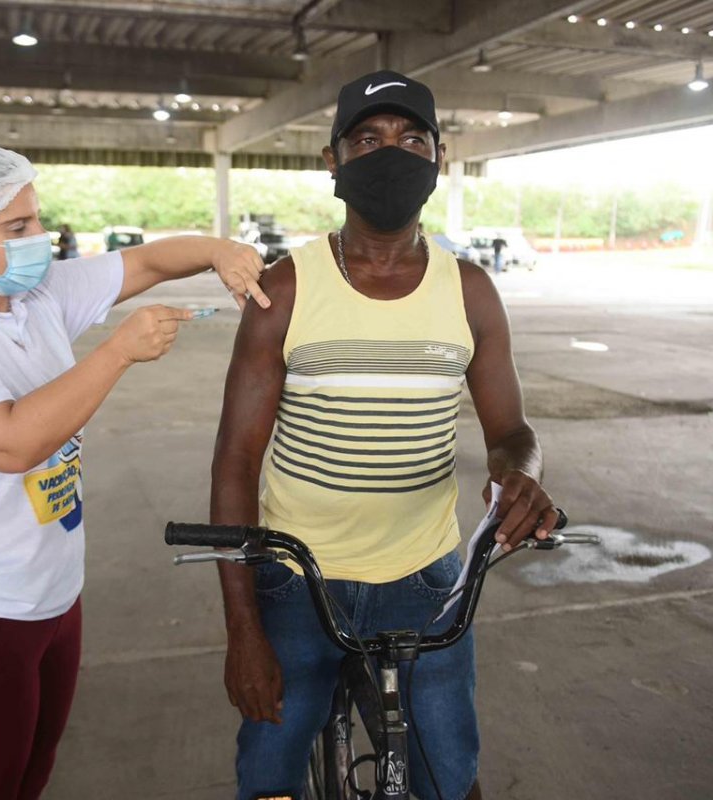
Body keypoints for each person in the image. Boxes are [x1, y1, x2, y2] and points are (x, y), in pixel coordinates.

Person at [0, 142, 268, 800]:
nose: (40, 239)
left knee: (28, 776)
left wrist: (216, 251)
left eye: (37, 219)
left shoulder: (34, 294)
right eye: (17, 228)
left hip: (52, 598)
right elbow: (7, 444)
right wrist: (117, 351)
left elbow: (145, 261)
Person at [209, 70, 558, 800]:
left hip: (424, 579)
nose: (389, 154)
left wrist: (520, 473)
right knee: (269, 777)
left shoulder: (468, 290)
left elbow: (511, 430)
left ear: (437, 157)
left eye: (410, 139)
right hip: (298, 579)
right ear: (332, 161)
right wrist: (243, 627)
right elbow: (237, 460)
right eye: (367, 139)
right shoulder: (287, 290)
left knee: (450, 779)